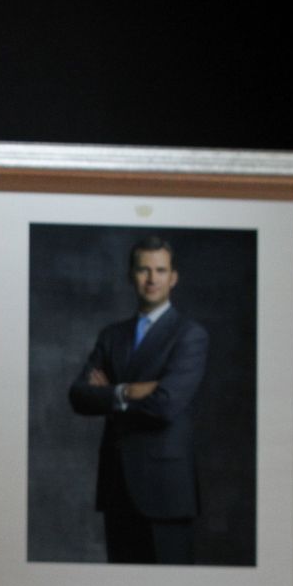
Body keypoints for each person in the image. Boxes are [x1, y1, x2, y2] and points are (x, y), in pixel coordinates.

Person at [68, 235, 210, 564]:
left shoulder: (190, 335)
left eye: (160, 270)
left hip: (166, 490)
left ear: (173, 277)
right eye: (143, 270)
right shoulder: (111, 335)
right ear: (131, 275)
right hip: (117, 486)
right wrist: (127, 391)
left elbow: (165, 405)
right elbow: (77, 396)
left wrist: (107, 394)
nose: (152, 278)